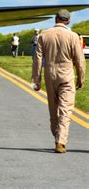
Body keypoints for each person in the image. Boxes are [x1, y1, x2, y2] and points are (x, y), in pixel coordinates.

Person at [32, 9, 85, 154]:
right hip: (66, 75)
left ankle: (58, 136)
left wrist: (36, 79)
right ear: (68, 21)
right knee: (65, 109)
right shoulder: (73, 36)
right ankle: (60, 141)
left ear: (55, 19)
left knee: (53, 109)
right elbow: (79, 60)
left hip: (50, 74)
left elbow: (37, 59)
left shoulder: (44, 34)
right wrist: (81, 78)